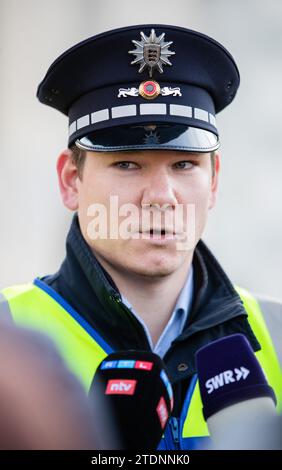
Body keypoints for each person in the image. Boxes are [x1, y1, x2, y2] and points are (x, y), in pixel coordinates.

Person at [1, 24, 282, 450]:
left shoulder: (278, 335)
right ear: (71, 180)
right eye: (128, 164)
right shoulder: (9, 344)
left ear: (214, 180)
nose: (161, 197)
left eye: (184, 165)